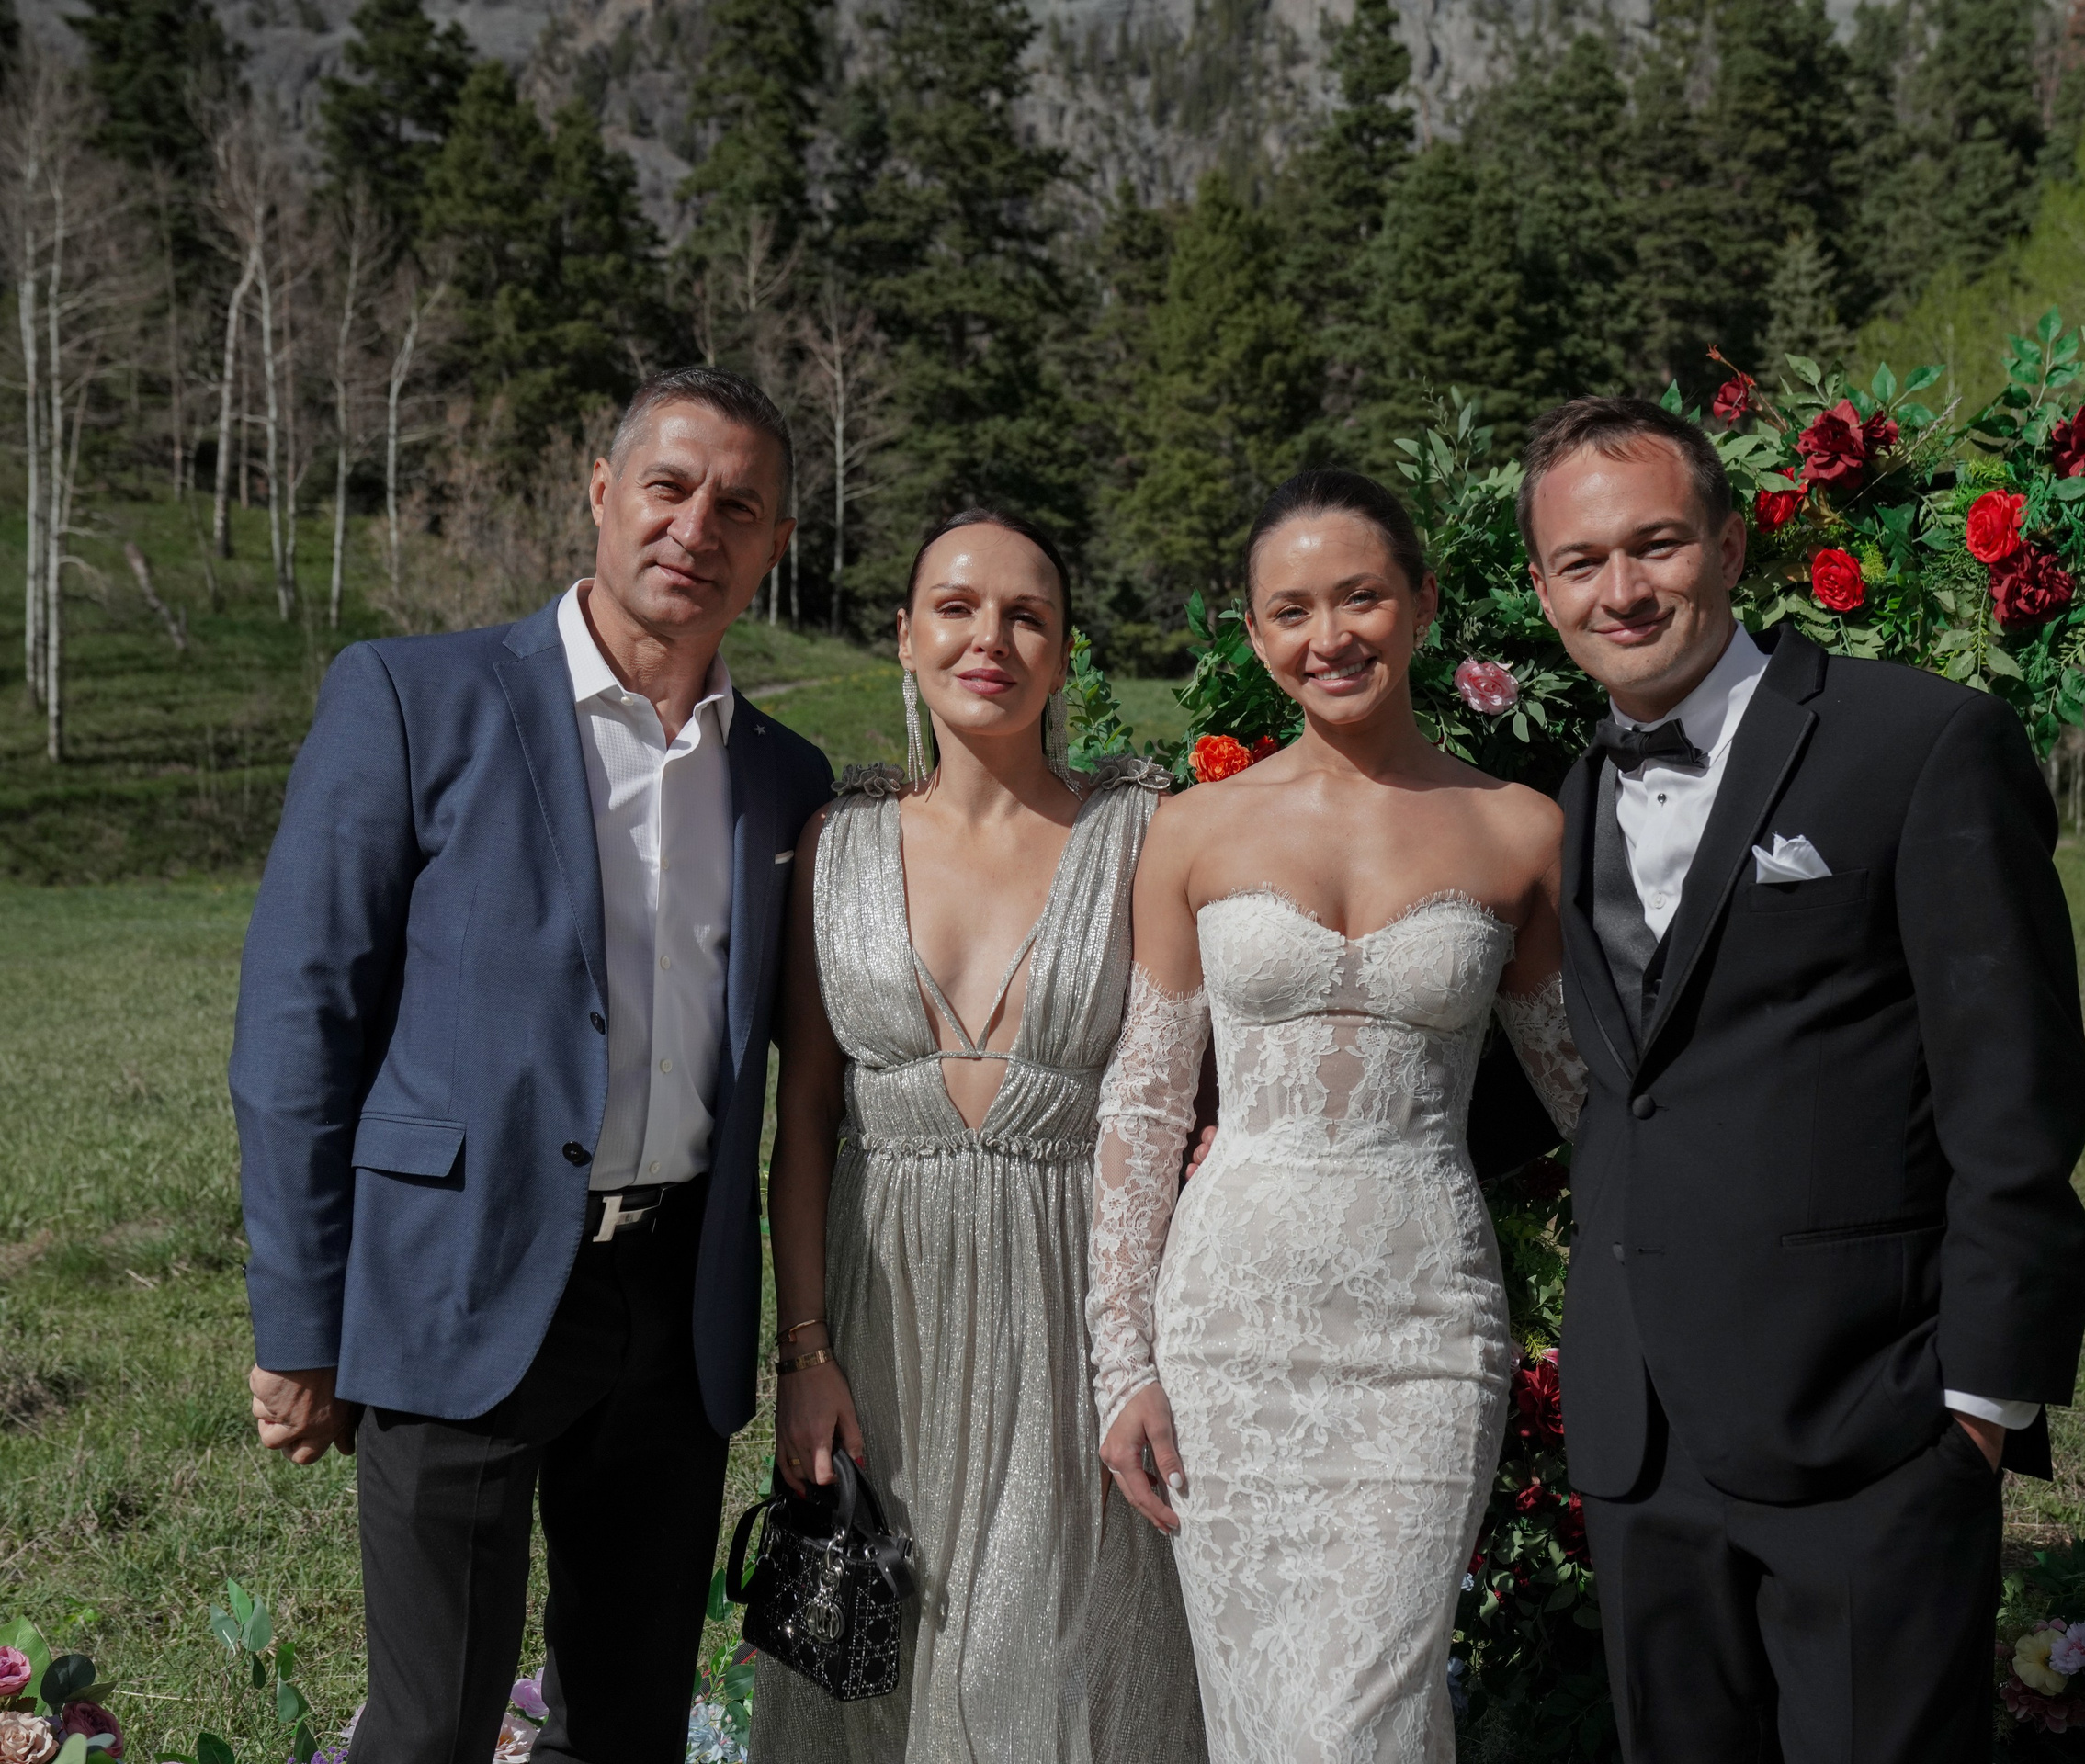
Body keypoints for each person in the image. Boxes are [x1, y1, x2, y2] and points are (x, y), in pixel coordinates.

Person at [232, 368, 833, 1762]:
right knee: (432, 1727)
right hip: (458, 1280)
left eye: (739, 505)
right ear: (602, 494)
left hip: (673, 1308)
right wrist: (297, 1320)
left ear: (774, 546)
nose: (698, 525)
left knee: (627, 1731)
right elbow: (296, 1024)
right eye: (670, 487)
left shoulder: (785, 778)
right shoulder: (411, 696)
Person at [1522, 396, 2085, 1760]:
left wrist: (1983, 1405)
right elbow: (1625, 1079)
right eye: (1581, 562)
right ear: (1543, 588)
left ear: (1728, 546)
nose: (1623, 588)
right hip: (1643, 1438)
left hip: (1872, 1423)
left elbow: (2017, 1087)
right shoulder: (1567, 794)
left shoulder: (1918, 744)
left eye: (1654, 544)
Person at [1089, 469, 1591, 1761]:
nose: (1331, 636)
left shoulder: (1520, 830)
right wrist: (1122, 1364)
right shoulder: (1193, 830)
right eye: (1292, 610)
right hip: (1227, 1327)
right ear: (1255, 635)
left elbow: (1587, 1092)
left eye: (1361, 596)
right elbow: (1145, 1107)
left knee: (1359, 1713)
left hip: (1427, 1324)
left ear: (1421, 603)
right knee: (1260, 1715)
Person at [753, 510, 1206, 1764]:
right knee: (888, 1658)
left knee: (1064, 1647)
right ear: (904, 637)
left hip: (1079, 1305)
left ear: (1065, 653)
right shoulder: (833, 849)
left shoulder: (1145, 834)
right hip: (881, 1306)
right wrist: (804, 1355)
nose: (988, 637)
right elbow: (802, 1118)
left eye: (1027, 616)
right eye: (955, 608)